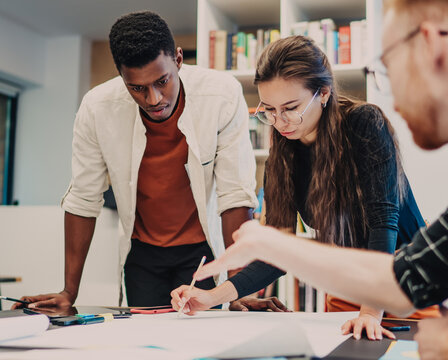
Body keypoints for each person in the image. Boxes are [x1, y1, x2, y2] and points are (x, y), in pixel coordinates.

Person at [177, 0, 448, 359]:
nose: (391, 93)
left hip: (384, 285)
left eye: (386, 68)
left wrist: (373, 310)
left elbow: (389, 231)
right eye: (270, 111)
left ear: (433, 46)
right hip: (363, 282)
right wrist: (226, 287)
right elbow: (412, 274)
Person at [171, 35, 432, 341]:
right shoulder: (282, 156)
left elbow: (383, 222)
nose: (280, 122)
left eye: (291, 107)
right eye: (269, 110)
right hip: (352, 287)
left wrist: (370, 313)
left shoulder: (364, 123)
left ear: (323, 92)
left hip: (408, 282)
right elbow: (277, 252)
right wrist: (212, 297)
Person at [12, 11, 257, 308]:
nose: (153, 99)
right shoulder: (97, 108)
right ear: (121, 76)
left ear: (178, 60)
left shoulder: (221, 94)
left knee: (203, 345)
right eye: (137, 88)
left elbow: (235, 195)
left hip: (203, 251)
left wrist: (239, 289)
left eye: (162, 81)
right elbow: (83, 198)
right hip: (142, 255)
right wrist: (69, 291)